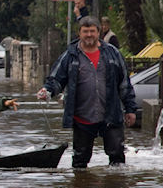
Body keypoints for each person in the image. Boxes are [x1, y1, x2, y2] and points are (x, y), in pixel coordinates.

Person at [37, 16, 137, 168]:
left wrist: (130, 109)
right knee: (80, 161)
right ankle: (80, 183)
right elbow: (56, 79)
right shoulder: (70, 55)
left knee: (117, 159)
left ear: (98, 32)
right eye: (85, 31)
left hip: (110, 115)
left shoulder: (112, 53)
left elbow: (124, 84)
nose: (89, 35)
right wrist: (47, 91)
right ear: (79, 33)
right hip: (82, 117)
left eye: (92, 31)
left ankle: (116, 183)